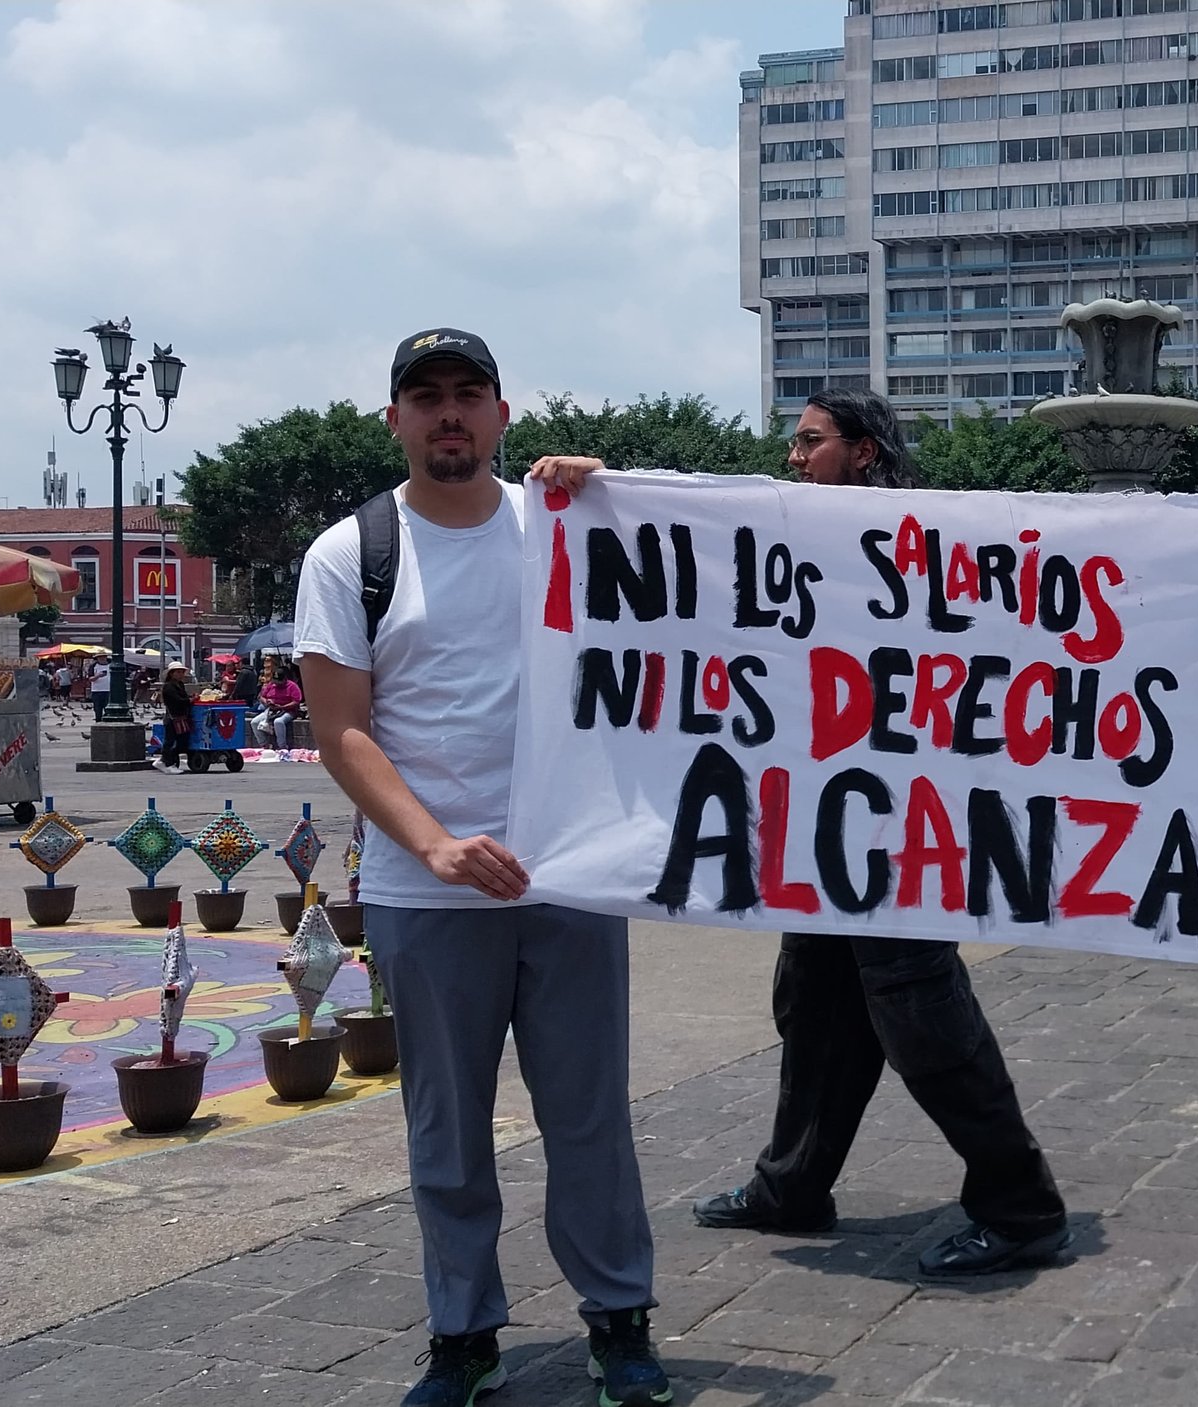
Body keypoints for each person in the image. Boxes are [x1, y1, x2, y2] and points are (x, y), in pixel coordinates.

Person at [540, 388, 1071, 1276]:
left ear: (864, 452)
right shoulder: (786, 528)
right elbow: (695, 533)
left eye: (812, 441)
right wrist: (603, 488)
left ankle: (1020, 1201)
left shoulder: (927, 537)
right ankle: (792, 1184)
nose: (795, 457)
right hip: (821, 823)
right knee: (814, 999)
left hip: (902, 825)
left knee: (918, 1007)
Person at [296, 328, 672, 1407]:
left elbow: (680, 608)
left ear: (503, 416)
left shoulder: (562, 523)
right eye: (427, 397)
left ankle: (619, 1316)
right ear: (396, 420)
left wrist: (621, 495)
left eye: (469, 395)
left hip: (568, 875)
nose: (449, 414)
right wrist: (435, 845)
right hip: (429, 888)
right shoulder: (351, 554)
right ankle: (463, 1331)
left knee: (589, 1113)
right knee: (446, 1128)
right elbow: (344, 732)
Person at [253, 660, 305, 752]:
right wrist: (267, 702)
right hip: (271, 709)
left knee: (278, 722)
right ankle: (264, 744)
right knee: (254, 722)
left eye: (279, 681)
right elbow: (262, 696)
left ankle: (282, 746)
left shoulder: (292, 686)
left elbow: (296, 701)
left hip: (288, 710)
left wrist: (282, 707)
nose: (277, 683)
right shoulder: (271, 685)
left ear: (285, 679)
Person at [158, 665, 194, 774]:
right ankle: (167, 763)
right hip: (172, 717)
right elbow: (178, 700)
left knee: (181, 741)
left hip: (180, 716)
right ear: (171, 674)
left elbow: (184, 697)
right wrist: (190, 700)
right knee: (170, 741)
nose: (180, 675)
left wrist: (189, 698)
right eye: (178, 672)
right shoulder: (168, 686)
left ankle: (165, 760)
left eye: (182, 672)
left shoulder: (180, 684)